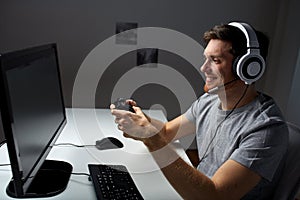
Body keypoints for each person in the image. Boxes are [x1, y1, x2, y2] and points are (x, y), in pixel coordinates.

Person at [110, 22, 289, 199]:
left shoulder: (266, 129)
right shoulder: (209, 100)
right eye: (206, 58)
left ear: (248, 68)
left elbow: (214, 196)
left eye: (216, 60)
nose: (203, 68)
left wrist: (153, 140)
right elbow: (166, 132)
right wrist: (141, 123)